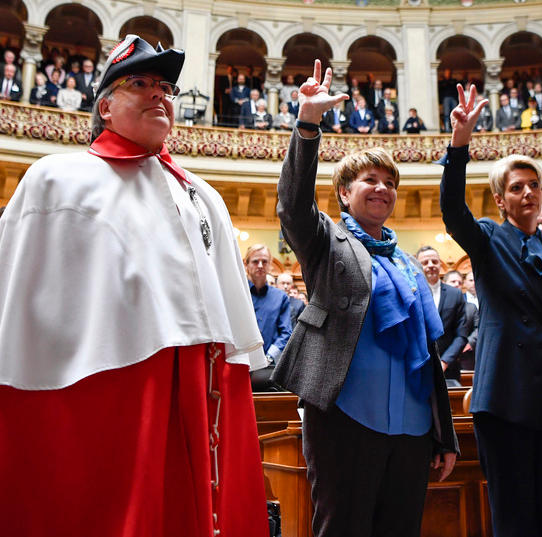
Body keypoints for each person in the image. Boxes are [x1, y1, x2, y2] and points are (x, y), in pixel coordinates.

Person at [0, 34, 269, 536]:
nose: (159, 94)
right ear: (105, 105)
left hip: (199, 385)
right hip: (104, 395)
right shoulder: (56, 179)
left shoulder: (201, 193)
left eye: (165, 86)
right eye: (140, 83)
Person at [273, 60, 457, 537]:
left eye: (390, 182)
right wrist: (308, 124)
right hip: (345, 419)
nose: (383, 188)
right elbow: (293, 205)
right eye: (371, 180)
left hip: (413, 427)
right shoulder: (326, 241)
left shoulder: (406, 263)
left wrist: (443, 432)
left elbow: (427, 352)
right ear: (344, 192)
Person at [439, 84, 542, 537]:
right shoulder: (489, 239)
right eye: (516, 187)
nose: (528, 193)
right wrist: (460, 143)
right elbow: (453, 211)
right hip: (505, 396)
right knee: (513, 517)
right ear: (500, 200)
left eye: (534, 185)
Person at [417, 246, 468, 386]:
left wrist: (444, 362)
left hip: (449, 368)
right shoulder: (411, 293)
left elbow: (461, 334)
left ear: (440, 264)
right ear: (417, 265)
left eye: (434, 261)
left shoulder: (455, 294)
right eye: (425, 262)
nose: (431, 265)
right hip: (418, 366)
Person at [244, 244, 293, 391]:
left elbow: (286, 332)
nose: (260, 265)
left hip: (268, 369)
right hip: (240, 364)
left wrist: (268, 358)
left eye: (264, 261)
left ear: (270, 265)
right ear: (246, 264)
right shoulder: (238, 293)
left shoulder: (281, 297)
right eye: (255, 261)